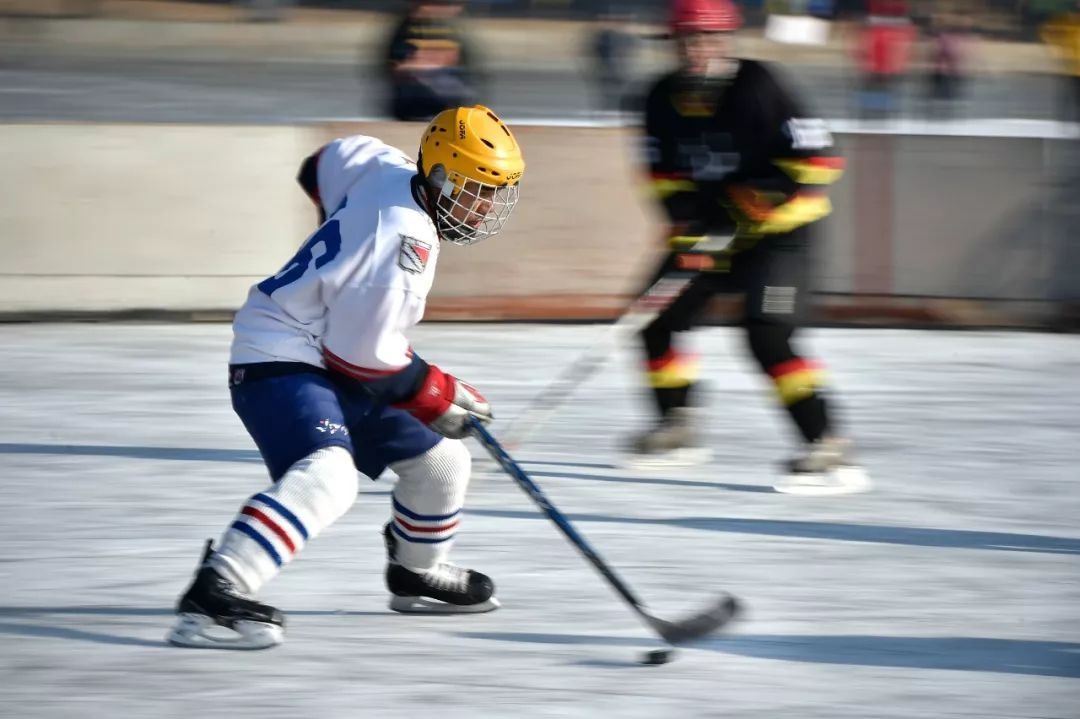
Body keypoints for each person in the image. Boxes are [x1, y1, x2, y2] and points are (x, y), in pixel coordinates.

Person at [167, 105, 525, 649]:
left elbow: (322, 163)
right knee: (330, 476)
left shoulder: (387, 165)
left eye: (494, 192)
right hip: (278, 354)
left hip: (329, 351)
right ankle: (214, 593)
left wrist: (342, 248)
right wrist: (438, 395)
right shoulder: (408, 247)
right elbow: (364, 357)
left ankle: (415, 572)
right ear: (441, 175)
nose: (486, 207)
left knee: (443, 463)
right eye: (477, 189)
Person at [628, 0, 867, 493]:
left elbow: (819, 162)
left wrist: (753, 204)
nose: (699, 49)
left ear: (728, 41)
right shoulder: (658, 98)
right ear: (673, 43)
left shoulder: (759, 85)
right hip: (712, 231)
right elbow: (664, 177)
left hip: (781, 234)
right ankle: (678, 427)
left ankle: (826, 442)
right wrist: (686, 226)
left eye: (710, 38)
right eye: (689, 39)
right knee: (654, 318)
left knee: (766, 332)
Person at [383, 0, 480, 121]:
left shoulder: (450, 29)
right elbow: (395, 65)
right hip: (414, 104)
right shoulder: (407, 29)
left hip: (445, 104)